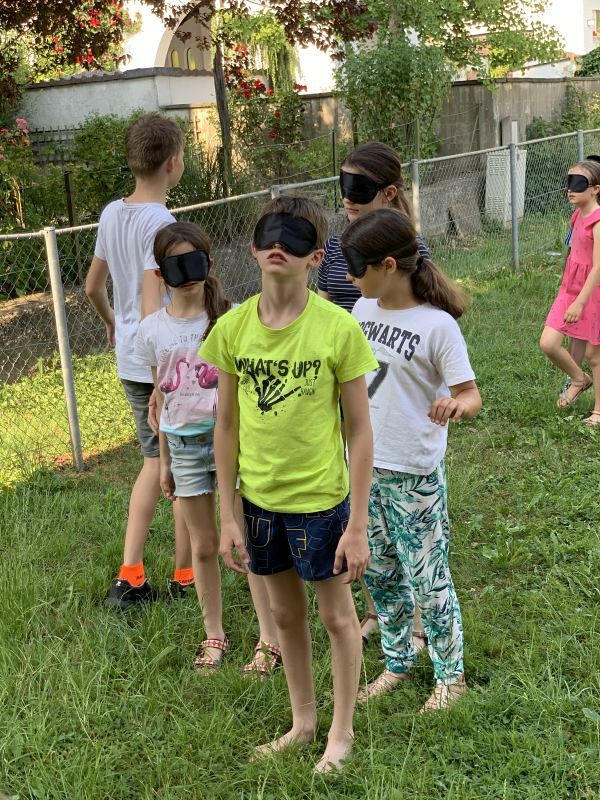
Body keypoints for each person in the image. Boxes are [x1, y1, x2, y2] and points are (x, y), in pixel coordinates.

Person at [199, 195, 378, 771]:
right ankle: (304, 723)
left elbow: (360, 429)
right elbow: (226, 426)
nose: (279, 244)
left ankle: (341, 733)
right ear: (253, 249)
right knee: (283, 616)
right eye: (269, 235)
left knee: (336, 618)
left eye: (295, 237)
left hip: (320, 504)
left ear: (315, 257)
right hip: (258, 503)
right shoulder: (231, 329)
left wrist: (357, 525)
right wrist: (228, 514)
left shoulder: (337, 329)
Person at [341, 207, 481, 711]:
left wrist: (456, 406)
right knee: (380, 573)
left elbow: (470, 394)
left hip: (414, 474)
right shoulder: (361, 311)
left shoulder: (436, 325)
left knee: (427, 577)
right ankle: (397, 662)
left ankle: (451, 677)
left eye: (356, 267)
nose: (349, 277)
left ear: (389, 266)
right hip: (363, 467)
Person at [134, 221, 281, 674]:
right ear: (160, 274)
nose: (187, 276)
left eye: (194, 263)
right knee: (203, 546)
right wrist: (163, 462)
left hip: (232, 443)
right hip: (183, 446)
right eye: (176, 266)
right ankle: (213, 633)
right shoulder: (151, 330)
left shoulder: (233, 319)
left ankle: (269, 638)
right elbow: (162, 398)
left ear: (210, 264)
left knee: (247, 541)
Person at [318, 139, 430, 651]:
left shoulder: (407, 250)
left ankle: (421, 620)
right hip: (346, 389)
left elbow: (426, 323)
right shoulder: (338, 249)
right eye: (343, 184)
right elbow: (322, 310)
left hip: (394, 399)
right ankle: (377, 610)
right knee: (358, 505)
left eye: (359, 187)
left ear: (388, 192)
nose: (347, 197)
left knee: (403, 515)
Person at [85, 112, 193, 608]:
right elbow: (153, 307)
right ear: (172, 163)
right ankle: (180, 576)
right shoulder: (163, 224)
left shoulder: (112, 213)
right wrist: (161, 382)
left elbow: (93, 286)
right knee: (179, 467)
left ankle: (135, 573)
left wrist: (112, 322)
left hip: (129, 357)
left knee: (155, 461)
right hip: (160, 363)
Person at [540, 159, 600, 423]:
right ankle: (578, 379)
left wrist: (580, 302)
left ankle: (598, 412)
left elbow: (597, 267)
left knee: (593, 355)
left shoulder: (598, 222)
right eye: (568, 182)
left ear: (595, 189)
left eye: (578, 183)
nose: (570, 189)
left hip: (592, 294)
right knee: (548, 343)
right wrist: (569, 290)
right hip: (569, 289)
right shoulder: (576, 215)